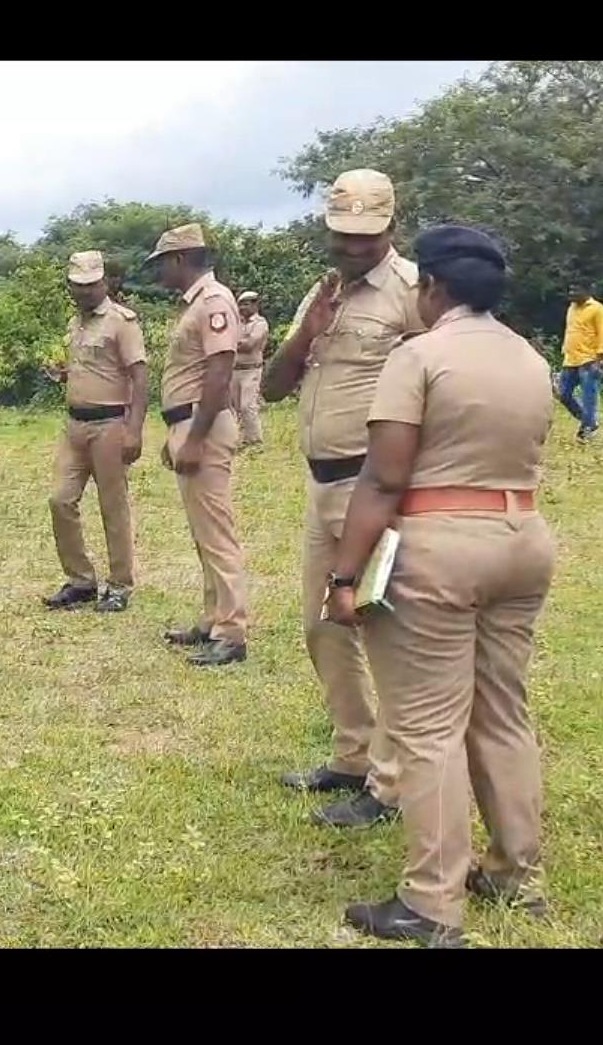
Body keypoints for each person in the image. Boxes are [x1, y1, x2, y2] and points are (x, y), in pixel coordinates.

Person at [324, 225, 555, 947]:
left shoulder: (419, 356)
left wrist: (344, 575)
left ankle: (431, 903)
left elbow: (386, 475)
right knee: (503, 714)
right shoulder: (529, 357)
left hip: (439, 547)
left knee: (427, 729)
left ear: (434, 288)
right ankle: (517, 875)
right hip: (521, 539)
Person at [263, 168, 425, 828]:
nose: (354, 246)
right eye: (342, 235)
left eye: (368, 235)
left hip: (376, 485)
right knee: (322, 627)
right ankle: (353, 756)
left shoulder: (416, 293)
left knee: (383, 636)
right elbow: (273, 386)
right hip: (321, 482)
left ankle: (389, 787)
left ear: (392, 225)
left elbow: (433, 393)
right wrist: (309, 331)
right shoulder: (322, 291)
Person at [149, 223, 250, 667]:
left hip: (201, 425)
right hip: (187, 422)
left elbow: (219, 371)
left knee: (216, 531)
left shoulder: (213, 302)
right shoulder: (195, 304)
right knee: (202, 532)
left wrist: (194, 436)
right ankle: (213, 619)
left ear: (179, 259)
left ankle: (232, 630)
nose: (159, 273)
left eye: (162, 264)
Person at [42, 251, 147, 613]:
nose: (84, 292)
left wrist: (134, 429)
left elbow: (139, 375)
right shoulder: (75, 323)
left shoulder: (121, 322)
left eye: (90, 285)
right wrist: (64, 375)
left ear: (104, 283)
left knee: (112, 506)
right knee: (60, 499)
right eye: (77, 286)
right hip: (75, 425)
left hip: (110, 424)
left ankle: (120, 584)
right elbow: (92, 367)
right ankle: (81, 580)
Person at [559, 280, 603, 442]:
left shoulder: (597, 309)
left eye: (576, 290)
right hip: (570, 359)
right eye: (571, 290)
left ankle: (587, 429)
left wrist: (599, 357)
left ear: (587, 290)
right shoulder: (571, 308)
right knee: (563, 394)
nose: (572, 293)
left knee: (589, 398)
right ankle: (590, 422)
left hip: (589, 360)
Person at [232, 291, 269, 448]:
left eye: (246, 303)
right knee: (234, 408)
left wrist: (232, 342)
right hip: (234, 370)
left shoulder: (260, 323)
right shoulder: (237, 323)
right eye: (240, 304)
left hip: (251, 370)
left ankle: (255, 441)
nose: (242, 307)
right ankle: (241, 440)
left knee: (248, 405)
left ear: (255, 305)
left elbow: (249, 345)